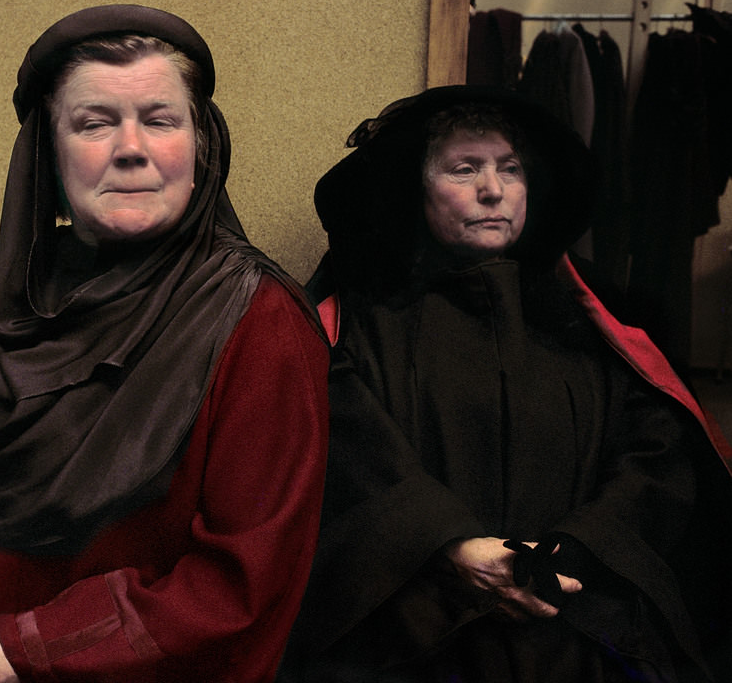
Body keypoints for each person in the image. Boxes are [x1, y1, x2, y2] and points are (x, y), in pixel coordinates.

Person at [0, 4, 329, 683]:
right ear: (48, 152)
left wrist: (33, 648)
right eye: (94, 122)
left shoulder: (257, 321)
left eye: (160, 120)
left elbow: (245, 583)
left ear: (202, 146)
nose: (130, 147)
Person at [278, 85, 732, 682]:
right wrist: (450, 547)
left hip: (577, 627)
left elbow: (654, 458)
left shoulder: (594, 319)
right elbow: (351, 459)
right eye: (463, 169)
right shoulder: (357, 324)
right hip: (415, 632)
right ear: (416, 188)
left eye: (509, 169)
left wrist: (572, 554)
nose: (492, 190)